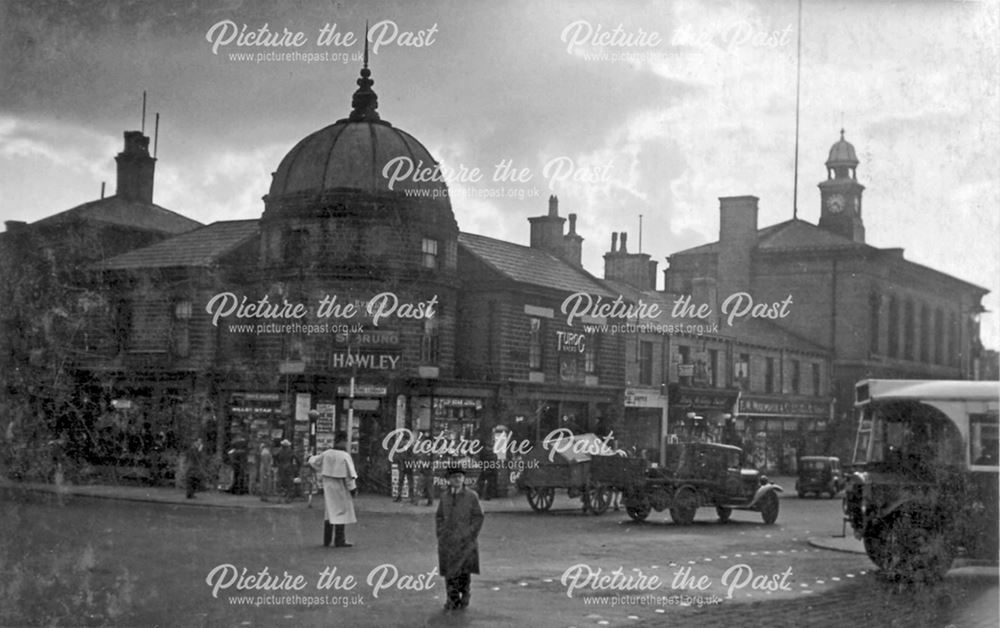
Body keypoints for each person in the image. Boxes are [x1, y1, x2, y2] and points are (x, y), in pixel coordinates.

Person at [436, 466, 484, 611]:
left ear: (464, 479)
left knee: (464, 571)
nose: (457, 479)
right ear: (449, 480)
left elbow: (478, 517)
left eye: (460, 477)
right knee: (450, 572)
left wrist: (470, 534)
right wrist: (441, 533)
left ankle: (465, 594)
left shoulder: (471, 496)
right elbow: (439, 516)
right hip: (449, 542)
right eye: (454, 477)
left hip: (465, 541)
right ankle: (452, 598)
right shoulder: (445, 496)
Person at [308, 432, 358, 548]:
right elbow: (349, 476)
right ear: (343, 441)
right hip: (340, 487)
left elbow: (315, 462)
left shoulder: (327, 454)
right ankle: (339, 540)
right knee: (341, 512)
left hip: (328, 485)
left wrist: (309, 458)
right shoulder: (345, 456)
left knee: (329, 512)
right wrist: (353, 489)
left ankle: (327, 539)